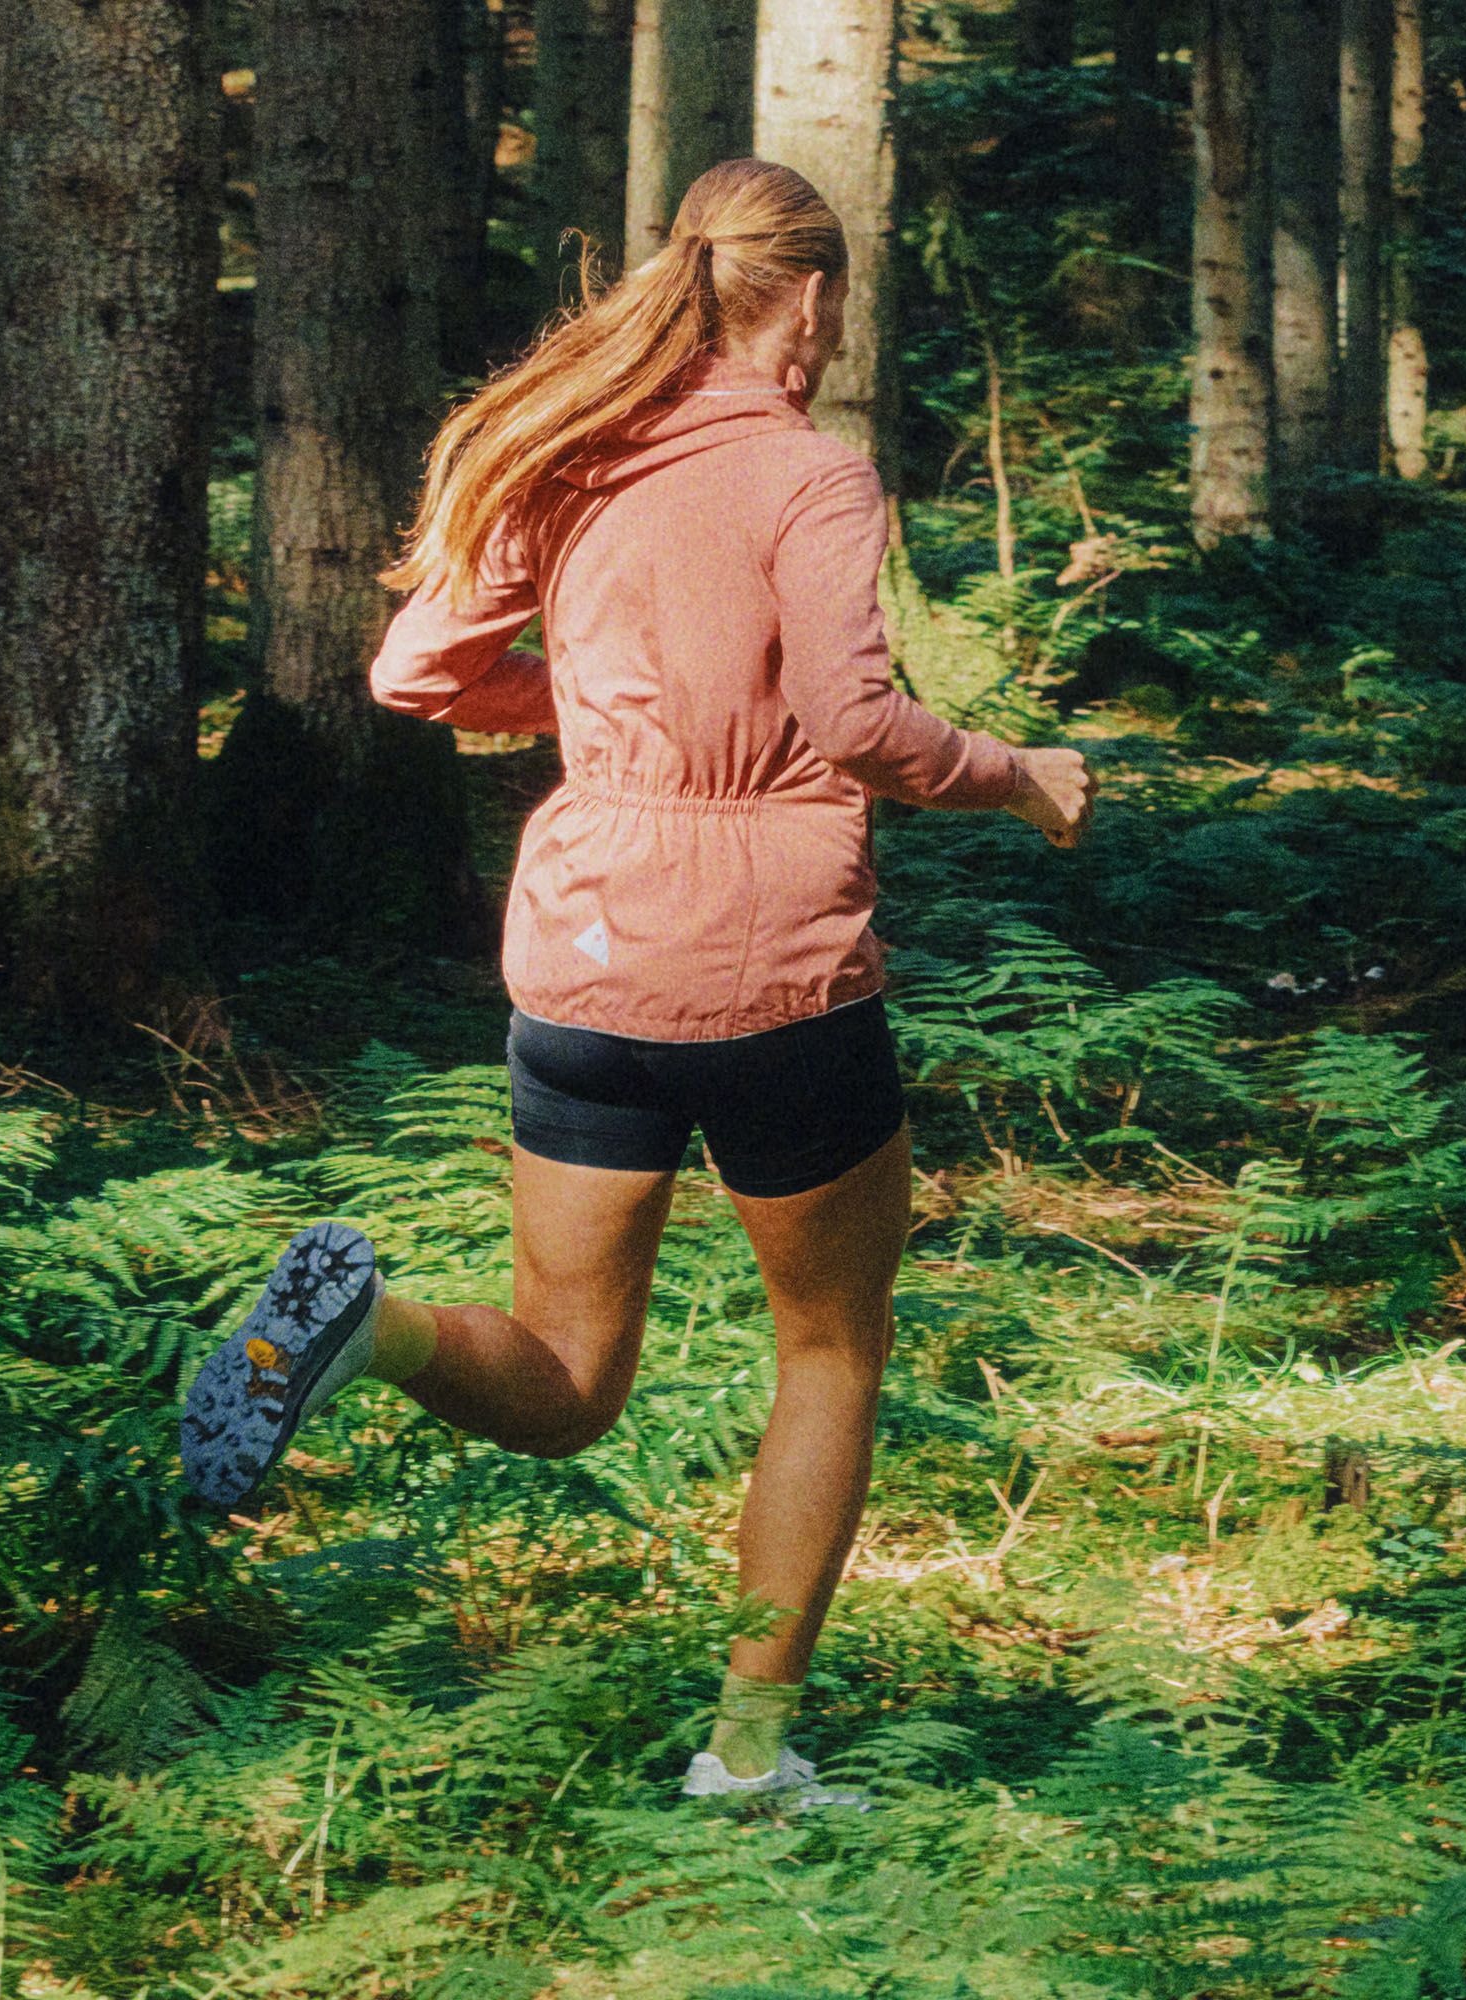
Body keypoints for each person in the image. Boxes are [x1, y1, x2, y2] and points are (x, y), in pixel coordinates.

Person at [179, 158, 1095, 1807]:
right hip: (774, 975)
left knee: (563, 1382)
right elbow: (860, 728)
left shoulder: (568, 442)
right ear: (809, 300)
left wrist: (610, 715)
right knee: (829, 1352)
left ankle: (364, 1329)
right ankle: (749, 1755)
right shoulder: (809, 474)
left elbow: (418, 671)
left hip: (586, 956)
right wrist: (1016, 769)